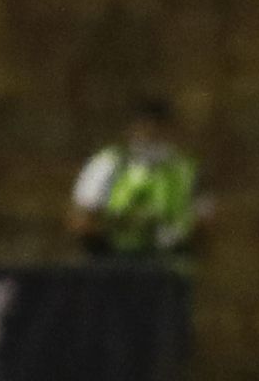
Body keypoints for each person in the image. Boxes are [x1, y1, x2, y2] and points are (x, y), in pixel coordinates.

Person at [66, 95, 210, 261]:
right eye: (144, 128)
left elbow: (204, 222)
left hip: (171, 261)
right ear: (131, 129)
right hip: (114, 261)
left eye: (157, 129)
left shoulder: (186, 169)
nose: (150, 134)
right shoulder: (108, 163)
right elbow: (81, 220)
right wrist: (126, 224)